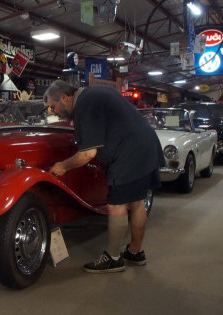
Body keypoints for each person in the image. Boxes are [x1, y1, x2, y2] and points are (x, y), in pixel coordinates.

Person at [44, 80, 165, 273]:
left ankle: (113, 258)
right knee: (136, 202)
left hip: (129, 153)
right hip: (146, 146)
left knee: (116, 205)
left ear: (65, 97)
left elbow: (88, 154)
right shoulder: (95, 93)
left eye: (53, 105)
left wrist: (62, 166)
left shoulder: (85, 103)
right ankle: (135, 252)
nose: (52, 111)